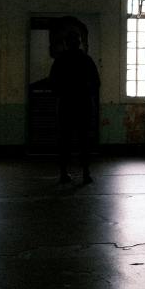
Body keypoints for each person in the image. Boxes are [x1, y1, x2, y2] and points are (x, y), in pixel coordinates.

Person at [50, 17, 101, 184]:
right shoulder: (87, 60)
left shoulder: (60, 61)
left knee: (64, 140)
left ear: (66, 43)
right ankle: (86, 173)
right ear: (79, 43)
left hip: (66, 104)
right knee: (84, 140)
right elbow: (96, 83)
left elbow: (53, 83)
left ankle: (63, 173)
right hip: (83, 105)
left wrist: (62, 94)